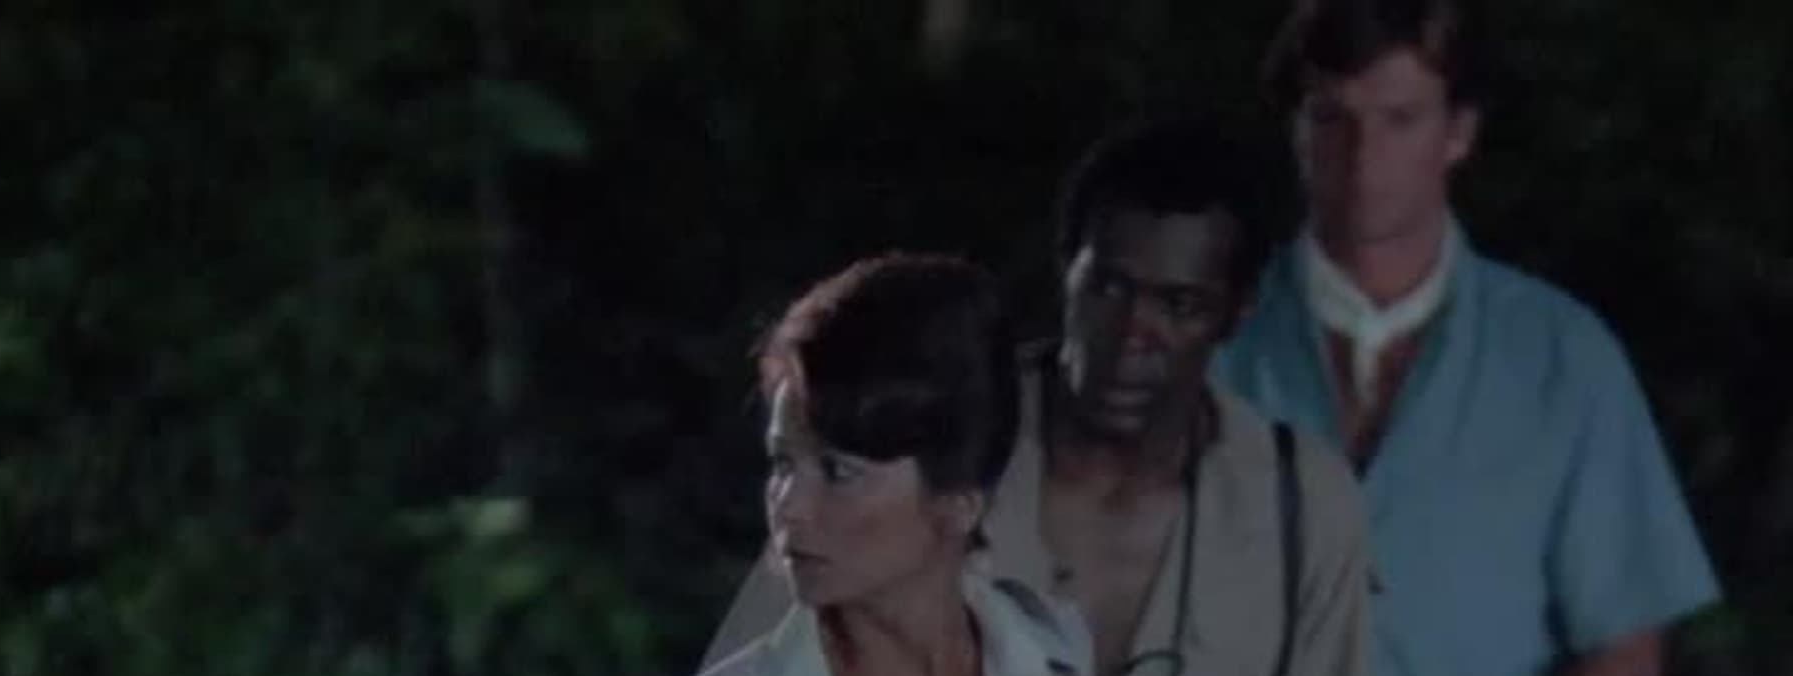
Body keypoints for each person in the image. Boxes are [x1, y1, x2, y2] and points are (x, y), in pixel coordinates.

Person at [708, 124, 1373, 676]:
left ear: (1236, 312)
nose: (1133, 335)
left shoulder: (1293, 503)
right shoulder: (926, 414)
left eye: (1178, 304)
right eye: (1110, 288)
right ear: (1068, 271)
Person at [1212, 1, 1722, 674]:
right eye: (1331, 117)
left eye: (1400, 119)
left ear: (1458, 132)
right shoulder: (1211, 343)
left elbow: (1623, 648)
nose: (1365, 156)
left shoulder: (1561, 358)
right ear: (1295, 128)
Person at [700, 254, 1092, 676]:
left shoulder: (1056, 650)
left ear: (959, 502)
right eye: (782, 463)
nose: (788, 507)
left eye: (837, 471)